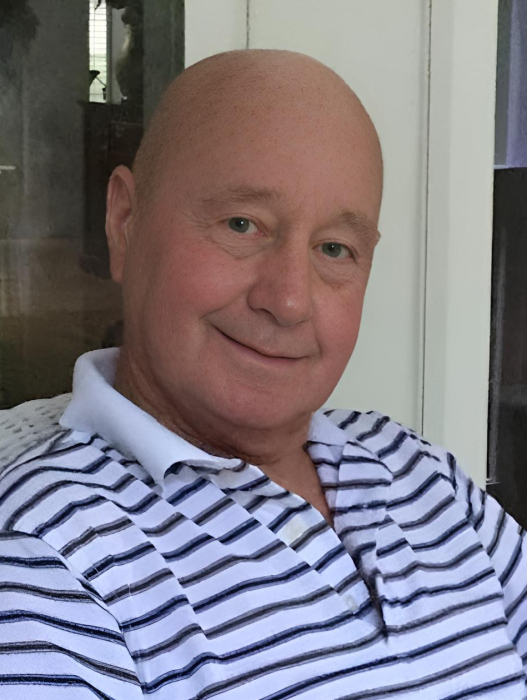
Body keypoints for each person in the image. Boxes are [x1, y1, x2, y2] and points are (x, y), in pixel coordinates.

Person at [0, 49, 526, 700]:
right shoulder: (48, 564)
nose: (289, 300)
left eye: (334, 248)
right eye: (242, 224)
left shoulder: (420, 474)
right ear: (125, 222)